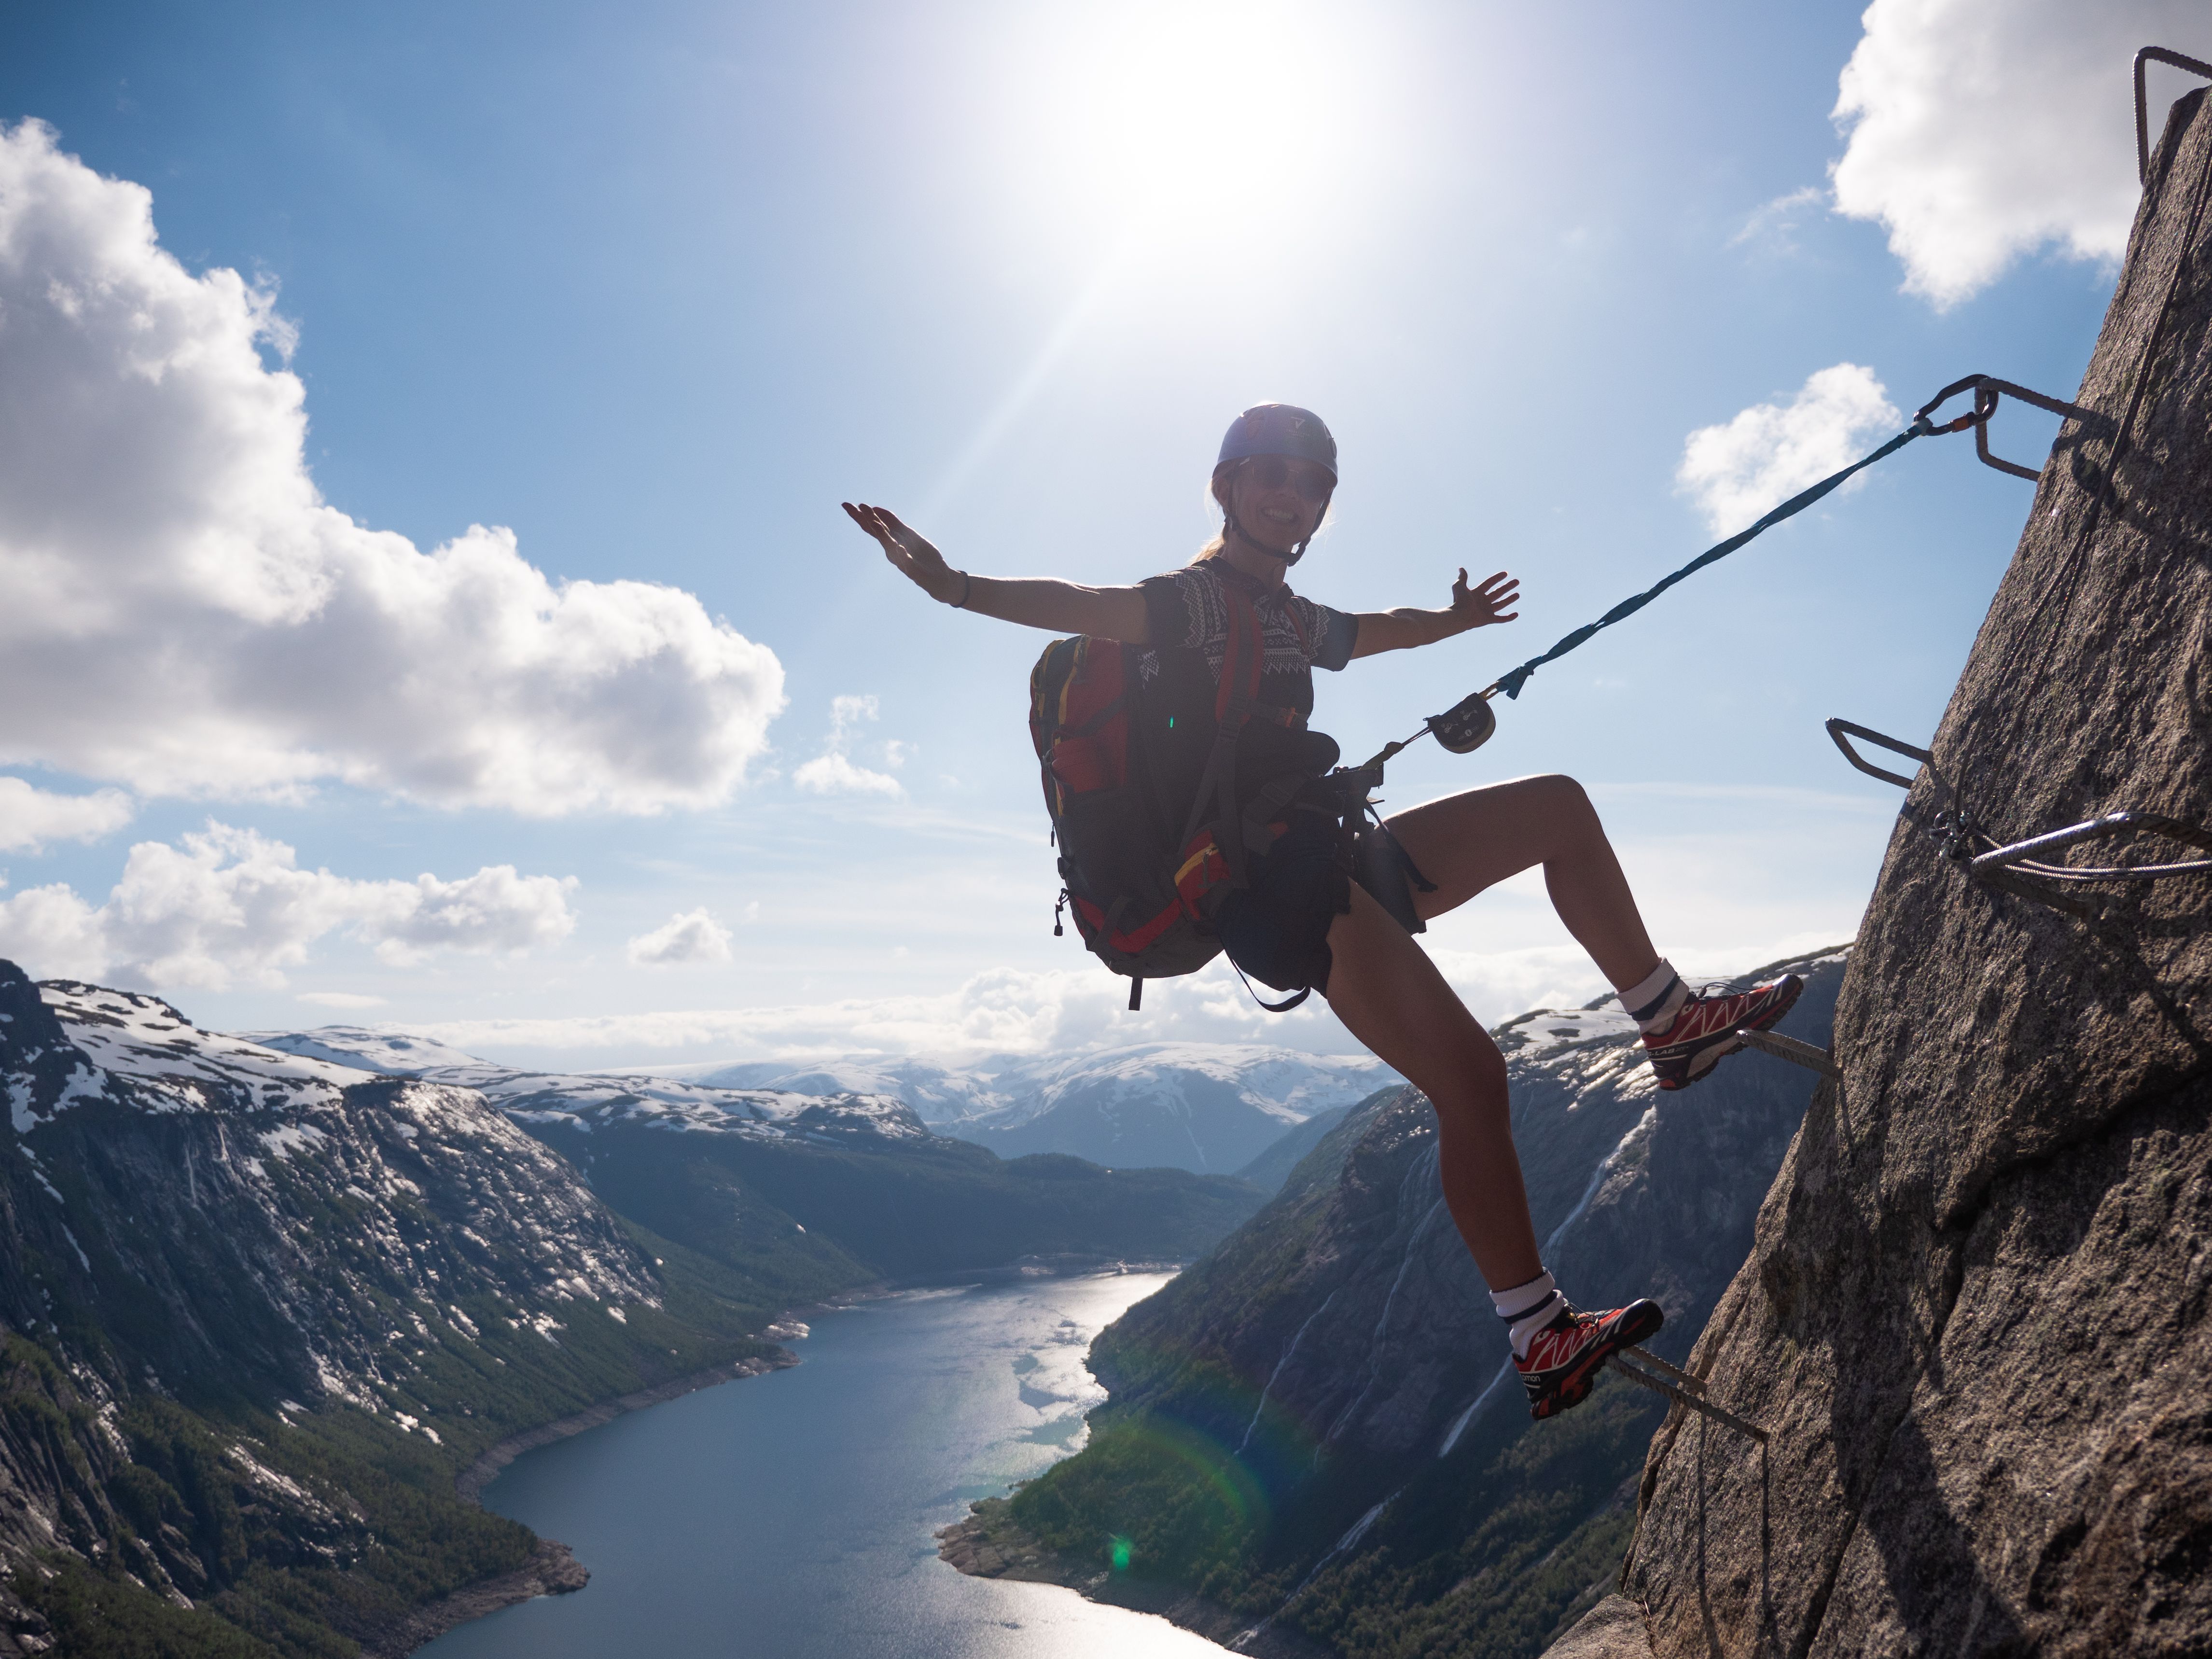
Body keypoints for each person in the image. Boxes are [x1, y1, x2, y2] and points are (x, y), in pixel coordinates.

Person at [843, 404, 1801, 1420]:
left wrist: (1456, 623)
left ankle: (1669, 1024)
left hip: (1327, 848)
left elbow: (1372, 632)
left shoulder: (1290, 618)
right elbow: (1083, 602)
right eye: (1271, 475)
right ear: (1227, 488)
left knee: (1557, 809)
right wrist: (954, 586)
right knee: (1472, 1077)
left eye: (1310, 484)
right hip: (1271, 890)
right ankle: (1539, 1335)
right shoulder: (1187, 604)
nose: (1290, 495)